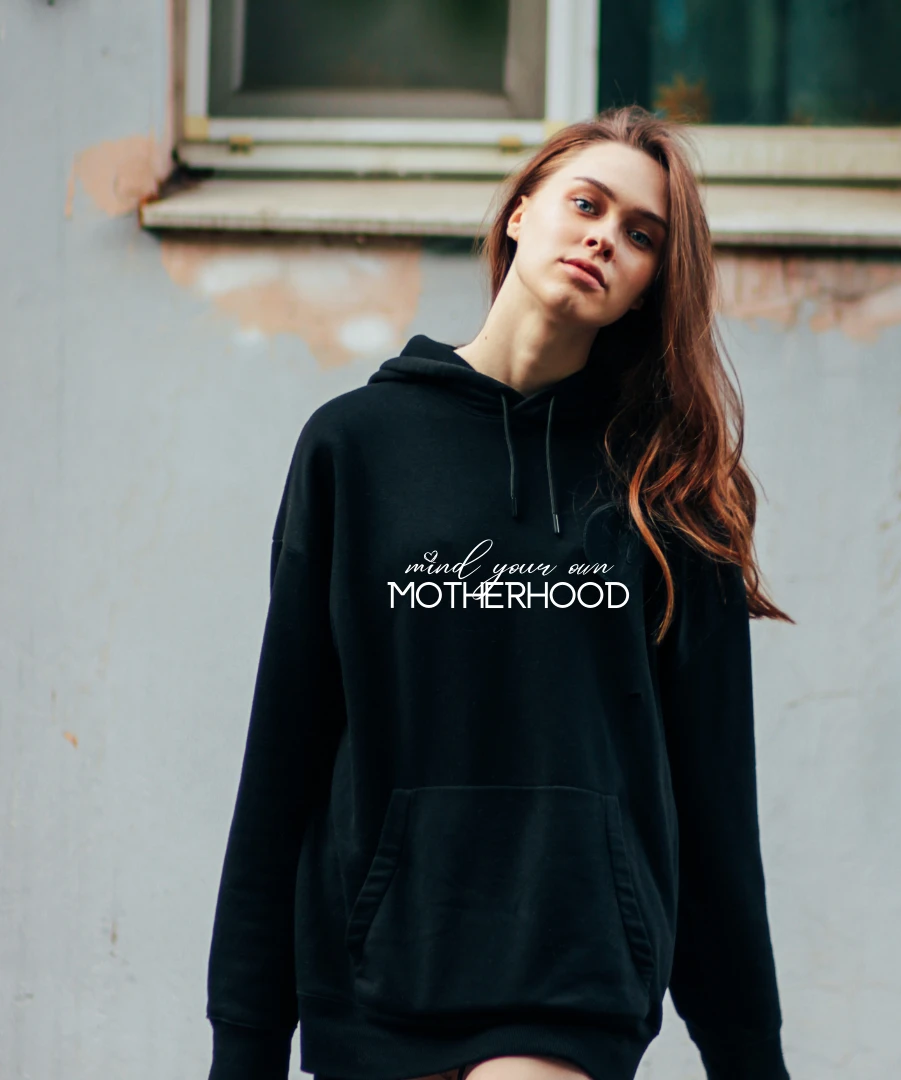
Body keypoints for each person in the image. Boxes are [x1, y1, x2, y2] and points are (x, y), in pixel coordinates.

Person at [204, 104, 794, 1080]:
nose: (605, 238)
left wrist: (749, 1056)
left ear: (649, 287)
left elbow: (716, 795)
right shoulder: (356, 446)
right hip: (377, 970)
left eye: (641, 235)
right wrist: (246, 1040)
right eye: (586, 204)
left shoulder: (669, 490)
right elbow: (285, 756)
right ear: (521, 213)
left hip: (572, 970)